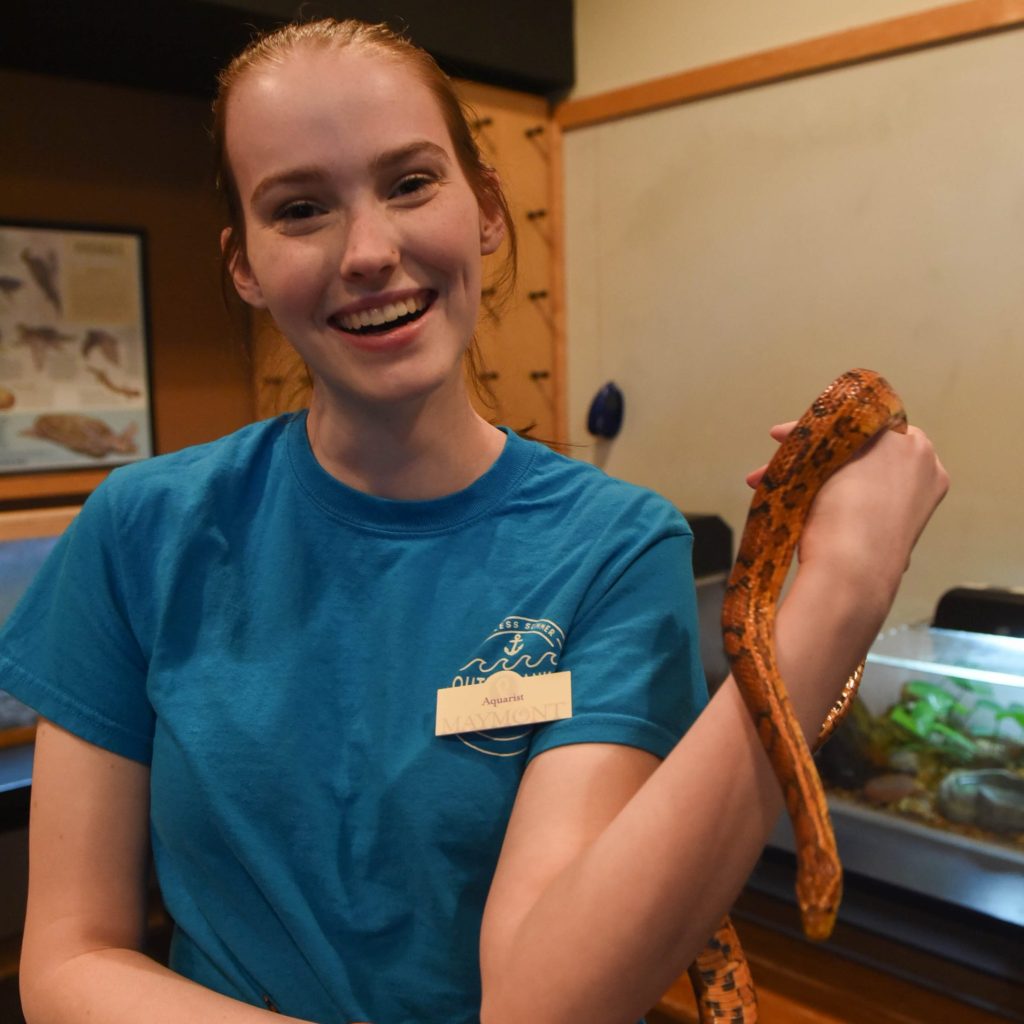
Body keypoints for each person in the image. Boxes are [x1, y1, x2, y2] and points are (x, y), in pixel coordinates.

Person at [1, 18, 948, 1024]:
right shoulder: (141, 530)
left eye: (409, 182)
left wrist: (838, 593)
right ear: (244, 265)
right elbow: (68, 959)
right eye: (301, 208)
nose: (368, 251)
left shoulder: (614, 550)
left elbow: (540, 1003)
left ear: (486, 209)